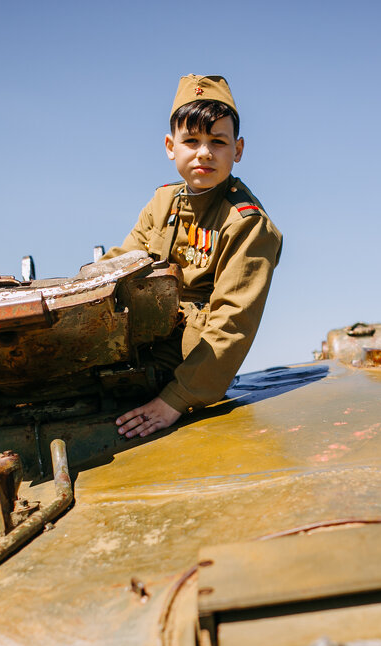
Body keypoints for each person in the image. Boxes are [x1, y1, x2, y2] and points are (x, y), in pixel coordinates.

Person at [105, 74, 282, 439]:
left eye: (218, 141)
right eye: (192, 140)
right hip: (141, 345)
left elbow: (233, 322)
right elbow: (118, 265)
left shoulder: (247, 224)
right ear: (171, 146)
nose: (204, 152)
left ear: (239, 149)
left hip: (190, 364)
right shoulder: (163, 202)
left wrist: (175, 399)